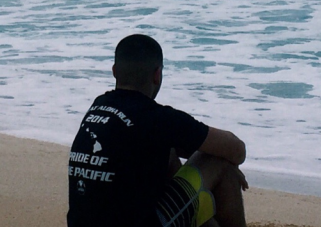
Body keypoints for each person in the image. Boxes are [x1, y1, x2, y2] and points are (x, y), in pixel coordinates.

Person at [67, 34, 248, 227]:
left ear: (114, 71)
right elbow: (236, 149)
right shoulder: (157, 118)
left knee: (166, 153)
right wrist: (228, 166)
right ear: (157, 75)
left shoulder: (99, 106)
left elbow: (149, 141)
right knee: (219, 161)